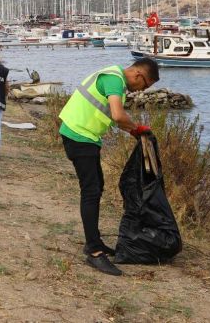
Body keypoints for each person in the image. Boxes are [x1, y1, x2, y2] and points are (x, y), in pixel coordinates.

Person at [59, 58, 160, 276]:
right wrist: (137, 129)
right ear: (138, 75)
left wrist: (133, 130)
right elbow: (117, 115)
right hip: (79, 135)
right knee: (91, 191)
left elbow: (116, 119)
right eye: (145, 85)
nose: (141, 90)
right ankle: (94, 252)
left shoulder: (115, 79)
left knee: (96, 188)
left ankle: (94, 241)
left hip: (84, 136)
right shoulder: (114, 80)